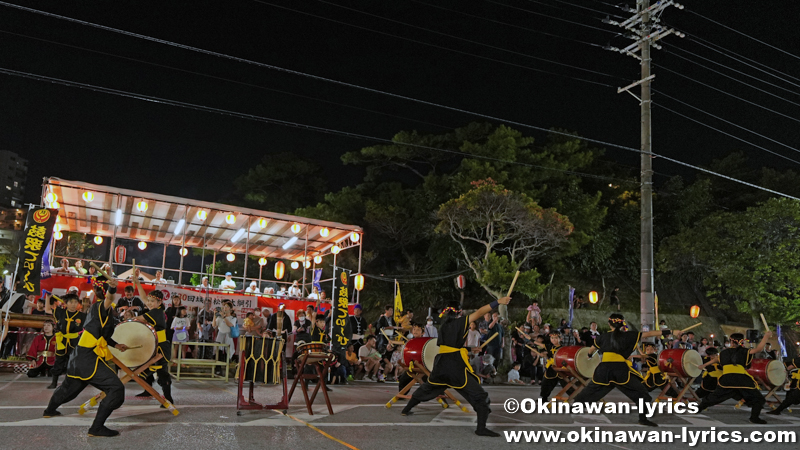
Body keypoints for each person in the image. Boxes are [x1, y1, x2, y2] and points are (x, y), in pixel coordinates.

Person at [401, 296, 512, 437]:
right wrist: (498, 302)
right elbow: (479, 312)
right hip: (455, 366)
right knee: (479, 395)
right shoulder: (461, 322)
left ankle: (406, 409)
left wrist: (471, 350)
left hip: (441, 363)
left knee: (428, 387)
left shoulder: (444, 325)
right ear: (459, 312)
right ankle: (481, 428)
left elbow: (450, 346)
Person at [43, 278, 129, 437]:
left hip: (79, 356)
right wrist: (112, 289)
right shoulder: (102, 306)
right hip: (88, 357)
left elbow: (98, 334)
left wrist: (116, 345)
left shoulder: (96, 310)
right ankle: (96, 428)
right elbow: (109, 298)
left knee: (69, 389)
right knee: (116, 388)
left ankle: (49, 410)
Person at [572, 313, 683, 426]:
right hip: (620, 370)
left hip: (604, 369)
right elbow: (650, 333)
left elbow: (591, 350)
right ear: (622, 324)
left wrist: (589, 356)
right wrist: (672, 332)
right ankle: (642, 419)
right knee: (641, 393)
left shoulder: (602, 337)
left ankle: (575, 406)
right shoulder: (629, 335)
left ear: (609, 324)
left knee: (591, 389)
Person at [698, 331, 772, 424]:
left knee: (714, 397)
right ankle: (754, 417)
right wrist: (766, 336)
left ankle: (698, 408)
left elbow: (716, 359)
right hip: (741, 379)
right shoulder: (745, 351)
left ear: (731, 342)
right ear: (742, 342)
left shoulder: (723, 353)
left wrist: (703, 365)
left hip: (727, 379)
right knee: (759, 399)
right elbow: (759, 349)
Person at [130, 276, 173, 405]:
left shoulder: (156, 313)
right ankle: (148, 390)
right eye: (149, 300)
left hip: (161, 347)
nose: (149, 303)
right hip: (155, 344)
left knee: (161, 372)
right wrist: (138, 283)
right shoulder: (155, 309)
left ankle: (168, 398)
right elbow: (144, 298)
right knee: (144, 367)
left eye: (152, 301)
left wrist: (127, 319)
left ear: (159, 303)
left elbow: (139, 319)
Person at [45, 293, 86, 389]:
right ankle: (54, 382)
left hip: (75, 341)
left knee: (74, 362)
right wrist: (48, 298)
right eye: (71, 302)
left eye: (76, 302)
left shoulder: (82, 316)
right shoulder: (60, 312)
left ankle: (72, 383)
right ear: (66, 303)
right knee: (59, 361)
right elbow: (47, 310)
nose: (74, 304)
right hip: (62, 341)